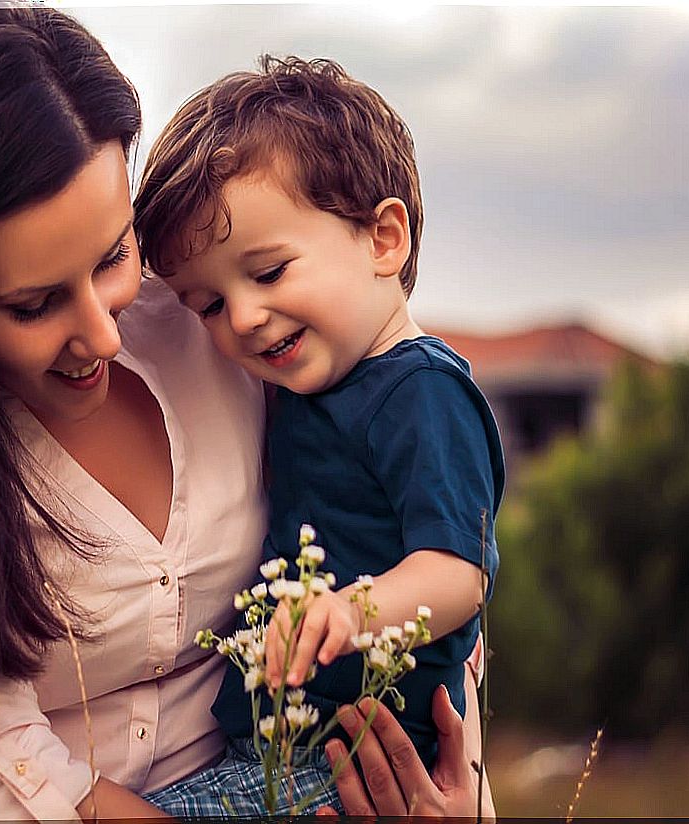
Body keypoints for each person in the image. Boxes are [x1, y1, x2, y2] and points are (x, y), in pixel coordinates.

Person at [0, 8, 493, 821]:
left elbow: (426, 556)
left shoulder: (219, 313)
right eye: (33, 304)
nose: (104, 332)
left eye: (113, 258)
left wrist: (461, 790)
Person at [133, 56, 503, 811]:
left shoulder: (422, 391)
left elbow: (458, 573)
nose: (240, 318)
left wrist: (347, 610)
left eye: (267, 273)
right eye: (207, 303)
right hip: (287, 744)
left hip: (356, 761)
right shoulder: (306, 382)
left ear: (383, 238)